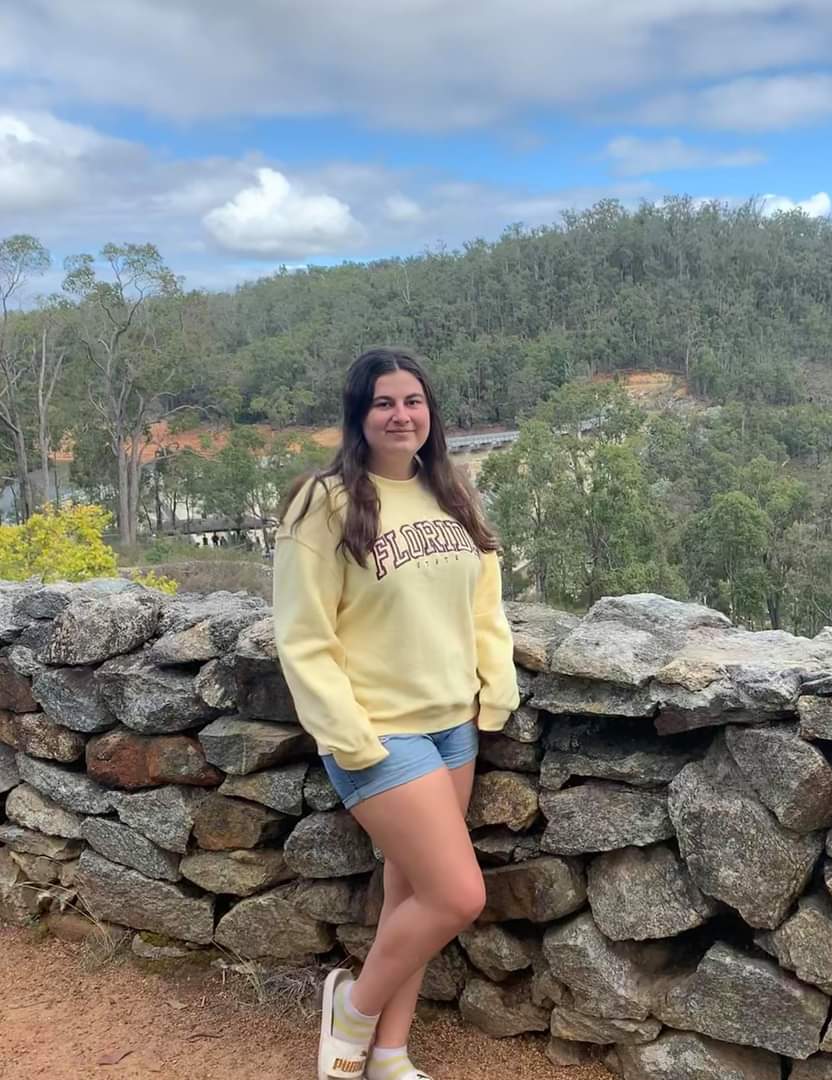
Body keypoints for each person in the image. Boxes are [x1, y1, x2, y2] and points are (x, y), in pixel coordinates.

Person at [272, 346, 519, 1080]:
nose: (401, 415)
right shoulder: (323, 502)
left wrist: (496, 688)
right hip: (378, 729)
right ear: (359, 415)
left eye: (413, 401)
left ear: (430, 412)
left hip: (453, 723)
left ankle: (389, 1054)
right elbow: (303, 634)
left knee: (409, 895)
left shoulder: (453, 492)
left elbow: (485, 606)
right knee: (456, 894)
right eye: (384, 402)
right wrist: (348, 735)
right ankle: (352, 1008)